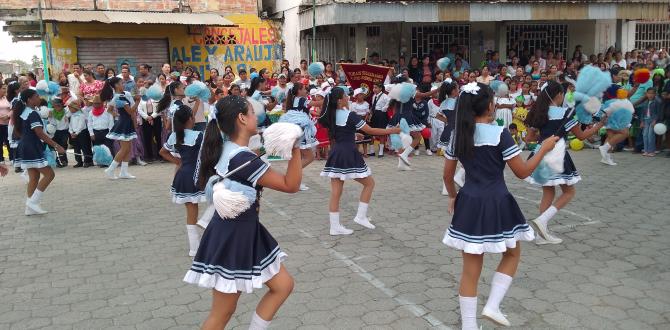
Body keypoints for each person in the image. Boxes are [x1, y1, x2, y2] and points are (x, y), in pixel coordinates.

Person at [443, 81, 558, 330]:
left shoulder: (458, 134)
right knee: (512, 253)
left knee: (470, 270)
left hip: (469, 202)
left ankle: (469, 326)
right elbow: (522, 171)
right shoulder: (500, 133)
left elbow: (447, 176)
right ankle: (493, 305)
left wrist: (453, 197)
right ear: (490, 106)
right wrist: (543, 148)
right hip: (497, 201)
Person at [184, 95, 301, 329]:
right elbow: (291, 185)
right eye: (251, 112)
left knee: (283, 285)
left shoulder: (226, 148)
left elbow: (262, 157)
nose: (256, 116)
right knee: (222, 313)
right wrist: (295, 148)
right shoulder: (244, 158)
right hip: (232, 237)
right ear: (241, 118)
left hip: (247, 232)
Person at [524, 80, 606, 244]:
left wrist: (543, 138)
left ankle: (542, 235)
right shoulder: (565, 114)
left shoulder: (540, 113)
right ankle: (542, 221)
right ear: (559, 95)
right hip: (557, 154)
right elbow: (582, 136)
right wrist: (600, 124)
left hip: (540, 152)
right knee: (569, 192)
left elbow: (528, 138)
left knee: (548, 192)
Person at [319, 87, 401, 235]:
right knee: (369, 184)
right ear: (339, 100)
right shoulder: (349, 115)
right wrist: (392, 131)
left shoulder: (331, 115)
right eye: (345, 96)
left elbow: (340, 133)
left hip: (336, 152)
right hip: (348, 153)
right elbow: (371, 131)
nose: (348, 97)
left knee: (336, 192)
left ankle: (334, 227)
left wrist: (354, 134)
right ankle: (361, 216)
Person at [159, 104, 206, 257]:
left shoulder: (174, 136)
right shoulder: (199, 135)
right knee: (218, 198)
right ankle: (205, 222)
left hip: (182, 175)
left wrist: (178, 162)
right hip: (197, 175)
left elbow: (162, 152)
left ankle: (194, 248)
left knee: (191, 211)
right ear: (191, 119)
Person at [12, 89, 66, 215]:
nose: (39, 98)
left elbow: (19, 132)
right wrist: (56, 146)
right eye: (36, 96)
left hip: (25, 145)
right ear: (29, 100)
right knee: (49, 175)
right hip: (32, 147)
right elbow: (40, 133)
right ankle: (32, 202)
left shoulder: (24, 112)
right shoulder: (32, 113)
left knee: (34, 177)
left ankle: (29, 208)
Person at [281, 82, 321, 191]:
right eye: (304, 89)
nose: (306, 90)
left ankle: (294, 180)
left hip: (295, 130)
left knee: (296, 157)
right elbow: (316, 104)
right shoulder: (302, 100)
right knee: (309, 157)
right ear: (299, 91)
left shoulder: (293, 100)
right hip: (301, 131)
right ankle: (293, 177)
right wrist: (328, 97)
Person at [101, 77, 140, 179]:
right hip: (124, 123)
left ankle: (124, 172)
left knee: (128, 148)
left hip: (125, 122)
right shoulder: (120, 97)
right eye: (122, 83)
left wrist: (117, 115)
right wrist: (137, 102)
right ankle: (110, 169)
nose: (124, 85)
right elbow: (130, 111)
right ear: (117, 85)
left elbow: (109, 109)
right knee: (124, 149)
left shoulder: (119, 96)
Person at [87, 95, 114, 164]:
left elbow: (111, 122)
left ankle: (109, 161)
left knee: (108, 147)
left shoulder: (107, 111)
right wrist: (91, 134)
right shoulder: (90, 113)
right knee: (98, 148)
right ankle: (101, 162)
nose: (96, 105)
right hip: (96, 132)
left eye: (98, 103)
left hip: (106, 131)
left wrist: (110, 132)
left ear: (102, 103)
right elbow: (89, 124)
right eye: (95, 103)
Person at [67, 99, 94, 167]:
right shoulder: (72, 116)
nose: (70, 110)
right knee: (76, 148)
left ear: (74, 108)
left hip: (82, 133)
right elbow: (70, 124)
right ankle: (79, 161)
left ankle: (88, 161)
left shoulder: (81, 115)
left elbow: (81, 125)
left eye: (70, 108)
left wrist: (76, 133)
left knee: (85, 147)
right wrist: (71, 132)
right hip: (73, 133)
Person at [369, 83, 390, 157]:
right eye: (373, 87)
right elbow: (373, 105)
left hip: (381, 115)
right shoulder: (374, 96)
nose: (374, 89)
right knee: (371, 132)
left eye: (376, 87)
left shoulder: (385, 96)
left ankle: (381, 151)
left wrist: (384, 108)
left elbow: (389, 102)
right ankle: (371, 150)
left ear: (381, 88)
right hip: (374, 114)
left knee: (381, 132)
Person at [639, 88, 661, 157]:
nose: (650, 95)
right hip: (646, 120)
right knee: (645, 135)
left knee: (650, 135)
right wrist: (642, 121)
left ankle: (652, 151)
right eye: (649, 93)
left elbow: (658, 113)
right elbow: (642, 113)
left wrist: (655, 120)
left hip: (653, 120)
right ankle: (646, 150)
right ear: (646, 94)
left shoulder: (657, 102)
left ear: (655, 94)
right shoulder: (645, 102)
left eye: (652, 93)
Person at [48, 97, 70, 167]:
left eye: (58, 105)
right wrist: (50, 117)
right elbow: (52, 123)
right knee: (55, 146)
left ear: (62, 105)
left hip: (65, 131)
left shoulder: (66, 111)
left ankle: (64, 160)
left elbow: (72, 107)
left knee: (63, 145)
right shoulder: (52, 112)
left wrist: (67, 116)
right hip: (56, 131)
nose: (57, 107)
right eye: (55, 106)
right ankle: (58, 161)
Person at [350, 88, 372, 157]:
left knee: (365, 137)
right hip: (356, 121)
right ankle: (357, 152)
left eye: (362, 95)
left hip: (364, 120)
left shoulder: (366, 104)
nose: (361, 96)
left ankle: (365, 152)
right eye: (359, 95)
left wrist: (365, 120)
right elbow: (354, 114)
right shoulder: (353, 104)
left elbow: (367, 113)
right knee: (357, 138)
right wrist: (357, 121)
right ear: (356, 96)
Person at [0, 83, 12, 164]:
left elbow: (13, 109)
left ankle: (12, 158)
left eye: (6, 88)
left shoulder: (7, 98)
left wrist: (7, 116)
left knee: (9, 141)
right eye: (3, 88)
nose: (5, 90)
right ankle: (1, 159)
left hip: (8, 123)